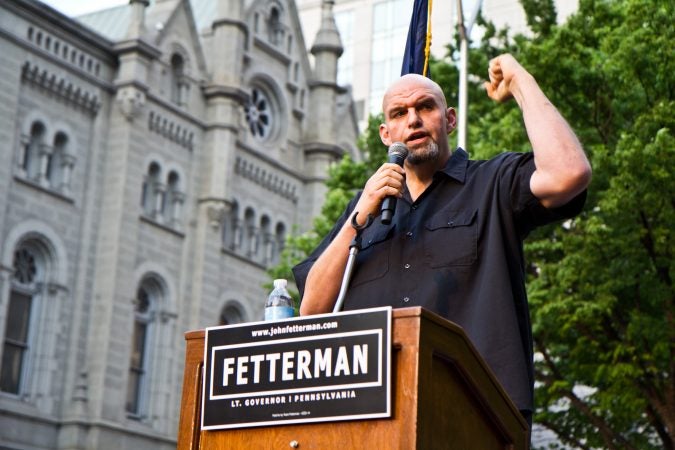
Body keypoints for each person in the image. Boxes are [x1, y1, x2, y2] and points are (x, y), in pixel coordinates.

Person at [292, 54, 592, 426]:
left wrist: (519, 80)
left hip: (474, 412)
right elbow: (311, 312)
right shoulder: (365, 209)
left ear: (449, 120)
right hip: (371, 417)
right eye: (399, 113)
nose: (413, 119)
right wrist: (358, 218)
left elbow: (570, 172)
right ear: (386, 135)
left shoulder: (492, 183)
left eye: (425, 107)